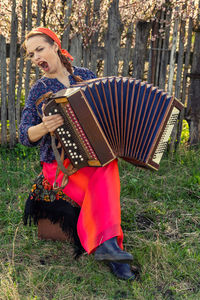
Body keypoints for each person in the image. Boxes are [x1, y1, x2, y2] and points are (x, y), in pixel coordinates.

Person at [19, 27, 136, 281]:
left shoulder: (85, 76)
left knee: (106, 164)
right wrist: (42, 127)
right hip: (60, 167)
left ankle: (106, 247)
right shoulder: (38, 89)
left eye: (40, 49)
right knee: (101, 174)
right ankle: (110, 248)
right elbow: (23, 135)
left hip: (90, 155)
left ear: (55, 46)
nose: (36, 57)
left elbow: (105, 110)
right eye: (31, 55)